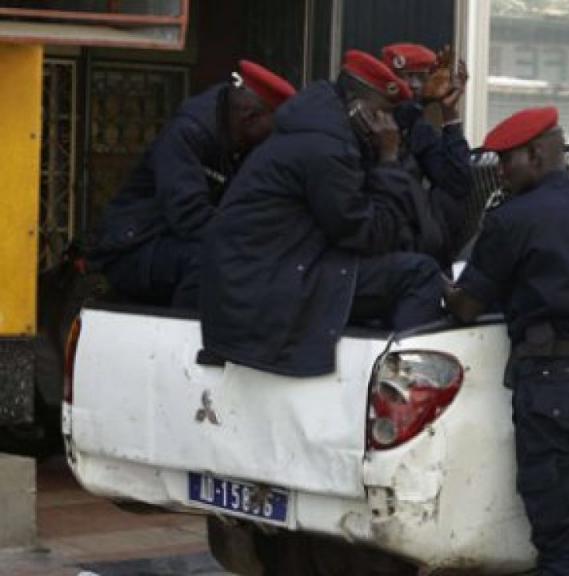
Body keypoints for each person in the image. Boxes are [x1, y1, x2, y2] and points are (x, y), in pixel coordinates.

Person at [445, 107, 569, 575]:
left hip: (552, 389)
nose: (502, 175)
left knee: (563, 547)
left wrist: (439, 285)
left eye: (507, 162)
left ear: (535, 155)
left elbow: (468, 306)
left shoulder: (512, 219)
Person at [200, 50, 444, 377]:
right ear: (358, 109)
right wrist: (388, 159)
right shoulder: (327, 148)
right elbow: (367, 233)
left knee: (415, 268)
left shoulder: (324, 130)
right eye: (383, 115)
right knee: (419, 274)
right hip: (270, 283)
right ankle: (407, 384)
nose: (390, 127)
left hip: (275, 267)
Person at [90, 60, 296, 308]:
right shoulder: (188, 133)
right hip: (135, 247)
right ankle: (186, 337)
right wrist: (246, 240)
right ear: (250, 117)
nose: (275, 138)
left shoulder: (241, 141)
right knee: (212, 261)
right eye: (274, 128)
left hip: (172, 242)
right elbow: (188, 216)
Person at [382, 43, 472, 266]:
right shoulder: (368, 119)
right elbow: (398, 117)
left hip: (413, 247)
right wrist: (420, 102)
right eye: (406, 77)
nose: (413, 86)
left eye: (421, 78)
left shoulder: (419, 128)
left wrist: (450, 116)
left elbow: (457, 183)